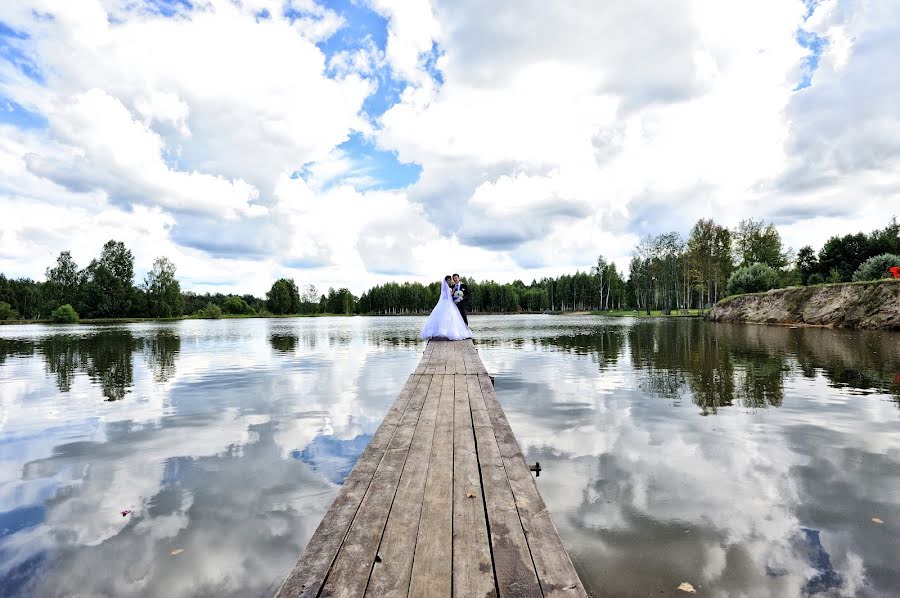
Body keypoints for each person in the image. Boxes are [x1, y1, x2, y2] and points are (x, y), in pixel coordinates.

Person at [420, 275, 472, 340]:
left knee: (463, 318)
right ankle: (450, 333)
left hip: (461, 305)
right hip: (453, 304)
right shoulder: (451, 287)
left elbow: (468, 295)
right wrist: (453, 294)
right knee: (451, 318)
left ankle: (466, 332)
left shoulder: (464, 286)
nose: (454, 280)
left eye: (455, 278)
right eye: (453, 279)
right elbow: (448, 295)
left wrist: (462, 297)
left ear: (459, 278)